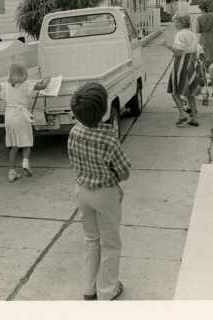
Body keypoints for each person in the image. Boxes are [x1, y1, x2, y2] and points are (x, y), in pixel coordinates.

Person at [67, 82, 131, 301]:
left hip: (82, 190)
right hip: (105, 193)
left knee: (91, 239)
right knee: (111, 242)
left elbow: (73, 161)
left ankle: (89, 287)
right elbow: (124, 172)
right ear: (104, 110)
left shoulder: (74, 131)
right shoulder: (108, 136)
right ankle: (107, 290)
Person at [1, 63, 50, 182]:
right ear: (24, 73)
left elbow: (4, 98)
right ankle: (25, 163)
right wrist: (48, 78)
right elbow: (43, 86)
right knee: (26, 141)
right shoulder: (26, 85)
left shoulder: (5, 85)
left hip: (8, 115)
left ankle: (12, 172)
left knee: (13, 144)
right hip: (21, 115)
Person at [161, 12, 200, 127]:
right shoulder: (193, 34)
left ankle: (183, 114)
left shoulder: (180, 34)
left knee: (174, 91)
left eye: (176, 22)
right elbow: (195, 50)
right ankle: (194, 118)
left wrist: (166, 45)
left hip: (181, 65)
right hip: (190, 64)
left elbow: (178, 51)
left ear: (182, 22)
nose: (174, 24)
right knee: (190, 93)